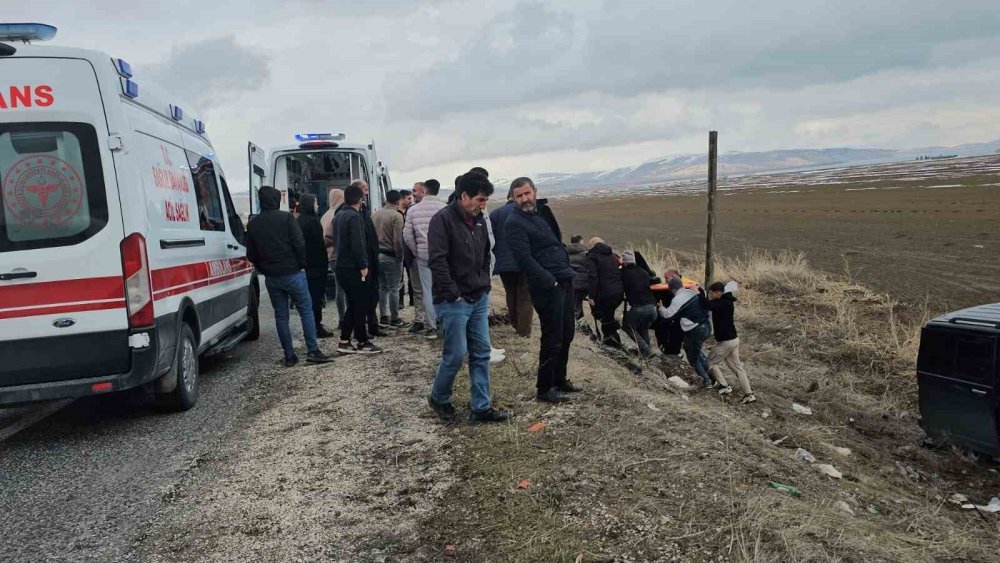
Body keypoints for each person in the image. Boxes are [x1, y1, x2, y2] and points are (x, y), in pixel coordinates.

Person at [426, 172, 510, 423]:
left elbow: (486, 253)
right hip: (454, 301)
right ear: (464, 196)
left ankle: (481, 408)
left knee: (481, 353)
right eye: (481, 200)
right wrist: (453, 294)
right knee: (455, 354)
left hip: (478, 297)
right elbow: (437, 261)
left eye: (486, 200)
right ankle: (439, 398)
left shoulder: (481, 219)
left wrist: (484, 282)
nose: (484, 205)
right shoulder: (442, 220)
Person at [505, 177, 582, 403]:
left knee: (567, 332)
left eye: (527, 193)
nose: (524, 199)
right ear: (513, 198)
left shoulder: (544, 212)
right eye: (519, 196)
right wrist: (549, 280)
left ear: (535, 192)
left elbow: (556, 240)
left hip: (564, 278)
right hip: (547, 285)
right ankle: (544, 388)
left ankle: (560, 379)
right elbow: (524, 259)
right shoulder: (514, 222)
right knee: (552, 337)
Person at [246, 186, 332, 366]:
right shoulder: (286, 218)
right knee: (306, 311)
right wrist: (302, 264)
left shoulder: (253, 223)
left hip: (272, 277)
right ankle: (313, 350)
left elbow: (251, 254)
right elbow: (299, 244)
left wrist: (263, 268)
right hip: (293, 273)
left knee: (281, 316)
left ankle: (289, 355)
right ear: (276, 200)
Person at [334, 183, 383, 355]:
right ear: (360, 200)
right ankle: (362, 341)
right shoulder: (354, 217)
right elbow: (358, 244)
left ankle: (345, 340)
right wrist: (363, 266)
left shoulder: (339, 214)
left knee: (354, 303)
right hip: (355, 269)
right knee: (361, 302)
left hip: (341, 267)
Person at [403, 178, 446, 339]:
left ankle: (431, 326)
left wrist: (416, 251)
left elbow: (407, 234)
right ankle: (444, 323)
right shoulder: (445, 208)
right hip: (442, 255)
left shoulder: (413, 210)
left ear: (425, 190)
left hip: (423, 255)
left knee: (426, 291)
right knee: (443, 289)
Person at [490, 186, 533, 338]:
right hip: (524, 261)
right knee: (525, 296)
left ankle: (515, 324)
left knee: (511, 293)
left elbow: (491, 240)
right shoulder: (526, 212)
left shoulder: (495, 214)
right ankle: (524, 331)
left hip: (504, 263)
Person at [703, 282, 756, 403]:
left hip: (726, 342)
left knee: (710, 362)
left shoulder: (723, 304)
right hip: (734, 340)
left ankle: (724, 386)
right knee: (738, 368)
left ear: (718, 292)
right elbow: (711, 303)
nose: (710, 295)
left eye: (711, 293)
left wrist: (699, 293)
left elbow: (706, 304)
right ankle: (749, 394)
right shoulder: (726, 301)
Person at [657, 278, 713, 387]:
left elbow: (668, 315)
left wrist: (660, 307)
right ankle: (711, 374)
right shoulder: (691, 292)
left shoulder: (678, 299)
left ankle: (707, 381)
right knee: (692, 349)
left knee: (693, 358)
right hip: (706, 325)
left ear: (671, 289)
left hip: (695, 330)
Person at [297, 194, 334, 338]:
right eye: (316, 203)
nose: (317, 205)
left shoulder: (299, 220)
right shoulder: (313, 222)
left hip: (305, 267)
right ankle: (316, 327)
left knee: (309, 299)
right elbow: (319, 246)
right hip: (316, 267)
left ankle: (312, 326)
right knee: (316, 298)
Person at [373, 189, 407, 328]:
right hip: (390, 255)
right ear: (398, 201)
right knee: (394, 288)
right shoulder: (397, 216)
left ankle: (383, 316)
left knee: (382, 287)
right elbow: (397, 240)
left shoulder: (375, 214)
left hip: (377, 255)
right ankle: (395, 318)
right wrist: (400, 257)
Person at [586, 237, 624, 348]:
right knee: (608, 316)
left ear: (592, 246)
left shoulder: (592, 257)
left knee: (605, 318)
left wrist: (591, 296)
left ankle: (612, 344)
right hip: (618, 292)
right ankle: (613, 341)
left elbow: (592, 277)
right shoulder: (612, 255)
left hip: (605, 294)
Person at [620, 251, 657, 357]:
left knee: (627, 326)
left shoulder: (624, 273)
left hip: (639, 307)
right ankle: (646, 355)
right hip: (653, 308)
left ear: (625, 262)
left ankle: (646, 350)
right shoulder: (643, 271)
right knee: (643, 328)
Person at [321, 188, 347, 323]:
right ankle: (345, 318)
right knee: (344, 289)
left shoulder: (325, 215)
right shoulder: (337, 214)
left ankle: (342, 318)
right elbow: (329, 237)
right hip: (338, 255)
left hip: (330, 256)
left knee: (339, 288)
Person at [566, 235, 589, 321]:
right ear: (580, 241)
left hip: (569, 282)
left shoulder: (565, 252)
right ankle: (579, 326)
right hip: (582, 284)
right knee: (577, 307)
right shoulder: (586, 254)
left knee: (574, 305)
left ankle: (581, 327)